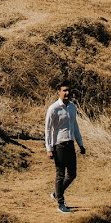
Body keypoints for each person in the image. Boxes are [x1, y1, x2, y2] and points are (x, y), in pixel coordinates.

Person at [45, 80, 85, 213]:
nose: (67, 93)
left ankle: (56, 193)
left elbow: (75, 126)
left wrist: (80, 144)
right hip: (59, 145)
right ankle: (60, 204)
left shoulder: (72, 107)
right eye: (64, 90)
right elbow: (48, 130)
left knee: (72, 174)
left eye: (68, 90)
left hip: (70, 144)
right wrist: (49, 148)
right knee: (60, 174)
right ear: (59, 92)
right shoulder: (53, 108)